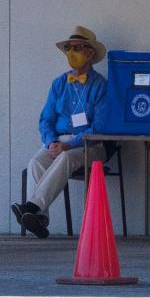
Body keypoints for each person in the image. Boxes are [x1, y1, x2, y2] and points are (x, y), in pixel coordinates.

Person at [11, 26, 108, 239]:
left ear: (90, 53)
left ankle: (32, 207)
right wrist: (51, 141)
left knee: (65, 156)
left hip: (91, 144)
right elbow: (46, 119)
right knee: (35, 161)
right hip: (59, 141)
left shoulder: (101, 85)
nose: (71, 53)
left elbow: (100, 127)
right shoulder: (59, 83)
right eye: (68, 48)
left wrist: (68, 144)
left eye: (77, 48)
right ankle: (39, 218)